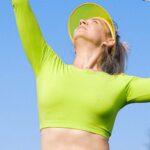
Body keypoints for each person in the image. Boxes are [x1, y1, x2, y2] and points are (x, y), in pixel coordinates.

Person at [11, 1, 150, 150]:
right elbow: (20, 5)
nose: (82, 21)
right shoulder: (47, 65)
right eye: (82, 20)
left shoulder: (120, 84)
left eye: (94, 21)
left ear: (109, 41)